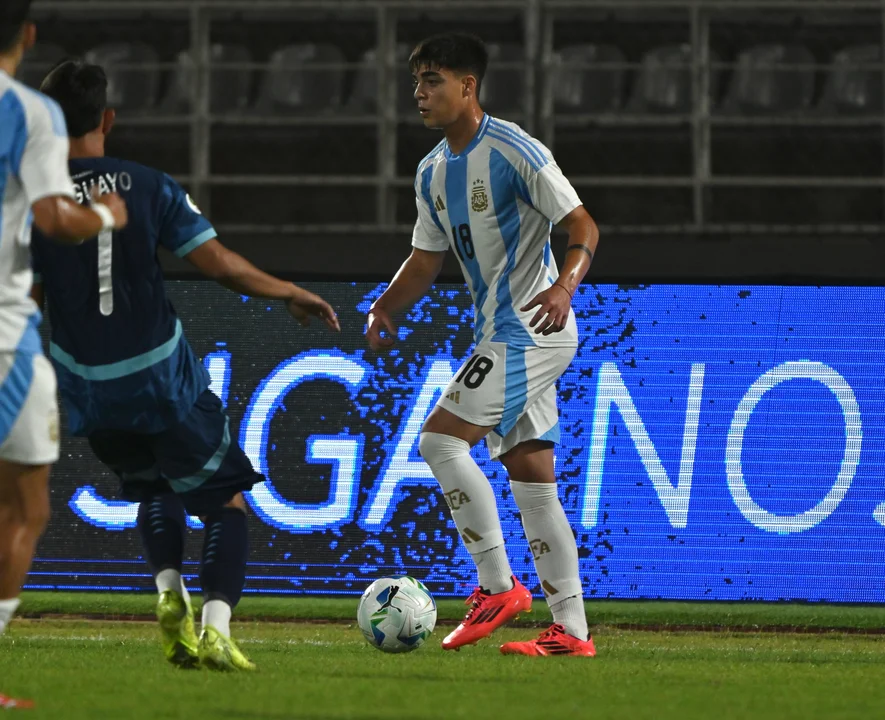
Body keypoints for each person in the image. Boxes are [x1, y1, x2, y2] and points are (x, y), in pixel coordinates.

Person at [32, 59, 339, 672]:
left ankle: (168, 593)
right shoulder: (146, 185)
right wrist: (287, 291)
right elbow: (218, 262)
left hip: (87, 385)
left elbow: (28, 295)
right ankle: (217, 628)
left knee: (151, 484)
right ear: (107, 119)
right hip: (159, 378)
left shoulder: (29, 200)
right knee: (226, 501)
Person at [366, 33, 600, 657]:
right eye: (416, 81)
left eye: (432, 79)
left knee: (439, 439)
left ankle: (496, 586)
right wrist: (388, 304)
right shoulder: (433, 170)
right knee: (532, 479)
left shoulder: (514, 149)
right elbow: (424, 259)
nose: (419, 92)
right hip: (500, 331)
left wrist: (564, 288)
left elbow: (582, 225)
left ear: (467, 87)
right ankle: (571, 633)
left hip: (532, 327)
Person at [0, 1, 128, 707]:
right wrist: (103, 214)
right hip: (4, 334)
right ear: (27, 35)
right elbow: (55, 217)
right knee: (21, 507)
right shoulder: (32, 113)